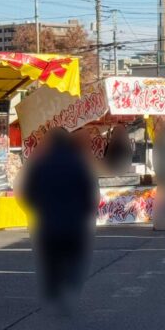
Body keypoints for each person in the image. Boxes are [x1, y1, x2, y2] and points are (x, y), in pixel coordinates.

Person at [22, 129, 100, 311]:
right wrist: (85, 212)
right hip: (75, 222)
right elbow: (89, 193)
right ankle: (71, 286)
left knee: (51, 258)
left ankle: (53, 289)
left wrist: (39, 209)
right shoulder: (79, 164)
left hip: (48, 222)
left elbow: (29, 193)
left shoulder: (41, 164)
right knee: (74, 257)